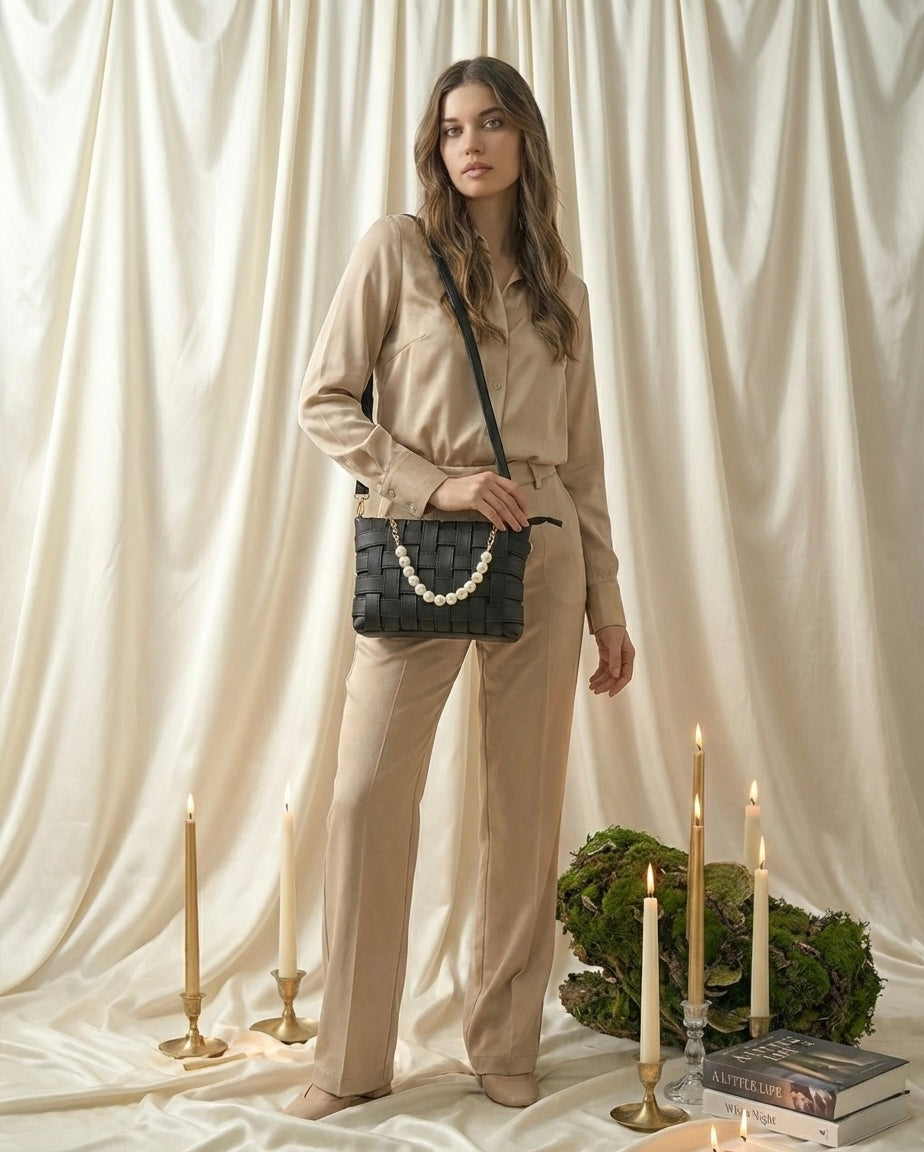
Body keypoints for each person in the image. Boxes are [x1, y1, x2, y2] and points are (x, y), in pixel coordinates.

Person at [285, 56, 635, 1121]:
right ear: (433, 148)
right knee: (362, 798)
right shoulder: (398, 251)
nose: (469, 143)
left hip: (545, 544)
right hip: (420, 546)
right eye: (449, 128)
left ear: (524, 138)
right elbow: (325, 402)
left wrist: (607, 607)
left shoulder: (562, 292)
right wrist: (433, 483)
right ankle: (348, 1060)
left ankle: (504, 1040)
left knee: (523, 814)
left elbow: (582, 467)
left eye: (489, 123)